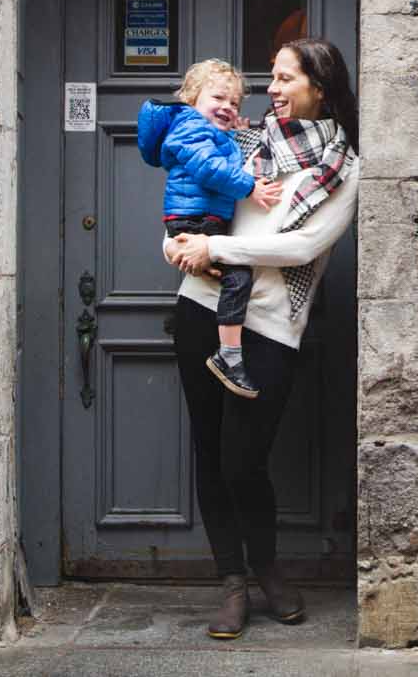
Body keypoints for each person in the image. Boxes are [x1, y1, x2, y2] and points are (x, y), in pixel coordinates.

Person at [163, 38, 360, 640]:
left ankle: (267, 568)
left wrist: (215, 248)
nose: (271, 89)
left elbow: (301, 246)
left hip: (272, 327)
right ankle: (233, 583)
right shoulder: (246, 141)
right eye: (271, 78)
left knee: (244, 459)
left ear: (319, 88)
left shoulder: (345, 167)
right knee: (209, 452)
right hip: (201, 310)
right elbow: (187, 202)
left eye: (284, 79)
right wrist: (174, 244)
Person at [137, 59, 284, 398]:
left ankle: (226, 350)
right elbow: (208, 168)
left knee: (226, 272)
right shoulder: (190, 127)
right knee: (238, 277)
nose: (227, 107)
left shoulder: (209, 132)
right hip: (194, 218)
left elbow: (217, 154)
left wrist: (234, 134)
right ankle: (229, 356)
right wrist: (250, 187)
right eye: (218, 98)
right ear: (191, 99)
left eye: (234, 103)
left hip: (201, 220)